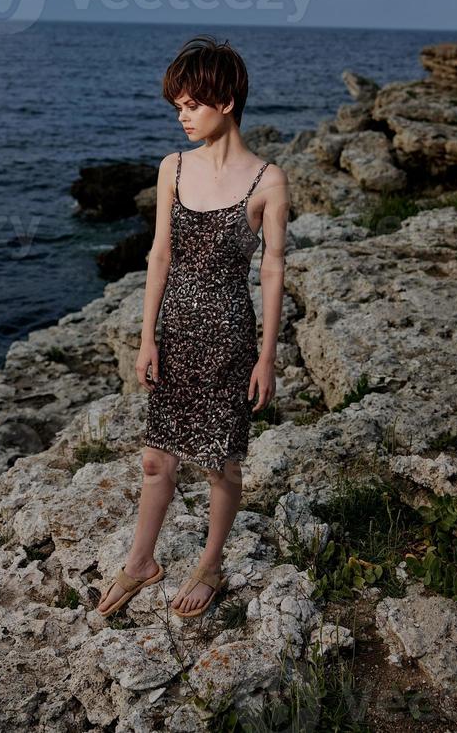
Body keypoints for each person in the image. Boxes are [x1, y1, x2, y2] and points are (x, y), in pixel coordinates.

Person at [97, 34, 289, 619]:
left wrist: (267, 357)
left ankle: (210, 565)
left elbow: (273, 270)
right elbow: (159, 256)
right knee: (157, 459)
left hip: (229, 335)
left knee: (220, 460)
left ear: (225, 101)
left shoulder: (268, 181)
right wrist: (145, 336)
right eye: (176, 106)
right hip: (175, 330)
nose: (181, 116)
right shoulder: (173, 168)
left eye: (190, 105)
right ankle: (140, 564)